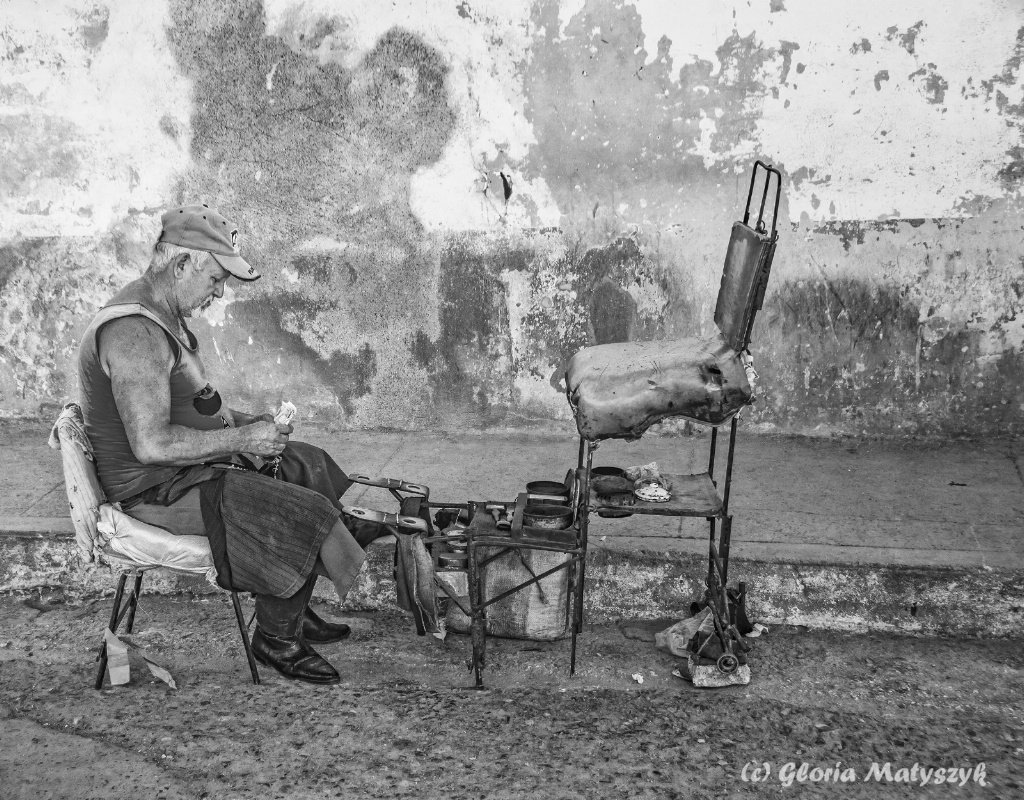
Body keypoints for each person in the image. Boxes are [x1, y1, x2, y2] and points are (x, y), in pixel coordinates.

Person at [78, 204, 388, 685]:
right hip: (152, 493)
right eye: (216, 279)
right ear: (181, 265)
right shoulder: (134, 334)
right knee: (295, 508)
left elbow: (195, 408)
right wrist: (242, 438)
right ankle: (276, 639)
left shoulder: (166, 316)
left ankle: (289, 606)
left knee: (306, 463)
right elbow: (152, 444)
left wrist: (248, 423)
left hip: (184, 473)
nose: (218, 293)